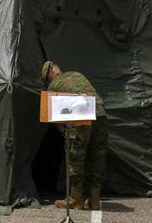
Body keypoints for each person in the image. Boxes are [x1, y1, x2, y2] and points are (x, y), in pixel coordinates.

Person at [41, 60, 109, 210]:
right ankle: (94, 200)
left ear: (49, 75)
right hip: (100, 112)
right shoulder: (76, 74)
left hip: (82, 114)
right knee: (98, 156)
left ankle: (75, 199)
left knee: (76, 156)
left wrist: (63, 132)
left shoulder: (53, 86)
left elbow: (53, 114)